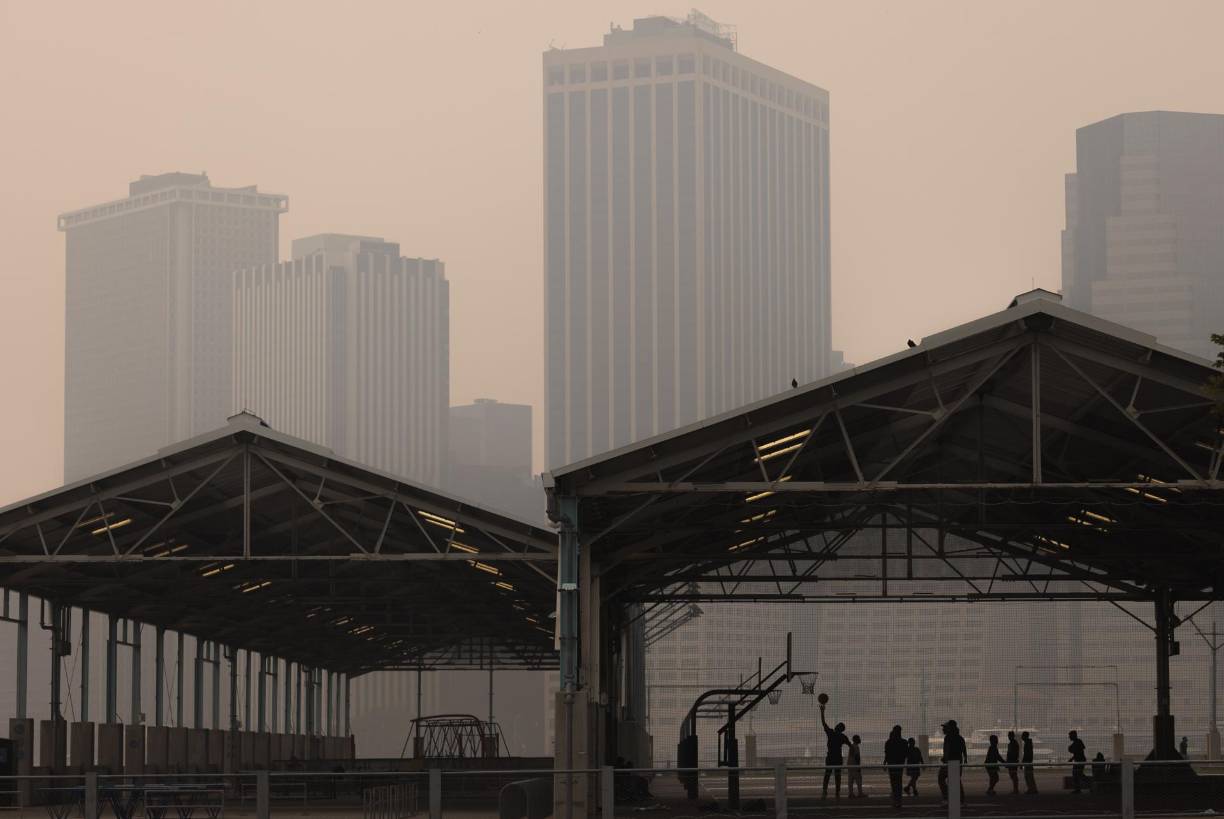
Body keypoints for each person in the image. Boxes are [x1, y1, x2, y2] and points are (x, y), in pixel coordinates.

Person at [819, 703, 851, 799]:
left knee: (827, 774)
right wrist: (852, 756)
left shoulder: (831, 733)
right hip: (838, 758)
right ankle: (837, 792)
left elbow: (823, 723)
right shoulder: (842, 736)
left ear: (837, 727)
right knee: (837, 775)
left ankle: (825, 791)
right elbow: (851, 746)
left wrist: (822, 712)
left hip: (830, 757)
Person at [938, 720, 967, 805]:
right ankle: (960, 800)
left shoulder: (948, 738)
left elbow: (947, 750)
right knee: (956, 781)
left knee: (941, 778)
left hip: (950, 762)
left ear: (950, 728)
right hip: (958, 761)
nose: (943, 729)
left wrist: (945, 759)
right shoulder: (960, 737)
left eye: (945, 727)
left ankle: (947, 797)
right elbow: (964, 749)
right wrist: (965, 758)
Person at [884, 725, 908, 809]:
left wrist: (885, 763)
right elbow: (906, 754)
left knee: (893, 782)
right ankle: (898, 800)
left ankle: (895, 800)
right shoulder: (904, 742)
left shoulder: (889, 742)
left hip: (892, 765)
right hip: (899, 765)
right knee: (899, 782)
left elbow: (887, 754)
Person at [1068, 730, 1087, 794]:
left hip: (1079, 761)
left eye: (1070, 736)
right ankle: (1079, 788)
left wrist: (1072, 758)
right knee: (1078, 774)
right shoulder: (1078, 742)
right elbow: (1078, 752)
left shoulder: (1077, 742)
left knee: (1077, 774)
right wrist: (1072, 758)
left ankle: (1078, 789)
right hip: (1080, 760)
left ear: (1073, 736)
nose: (1069, 737)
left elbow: (1077, 752)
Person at [1005, 730, 1021, 794]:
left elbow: (1011, 753)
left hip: (1012, 761)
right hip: (1012, 761)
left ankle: (1016, 789)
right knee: (1013, 775)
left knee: (1013, 775)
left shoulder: (1013, 744)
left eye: (1010, 736)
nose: (1009, 737)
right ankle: (1015, 789)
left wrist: (1008, 761)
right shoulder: (1014, 743)